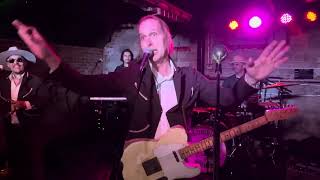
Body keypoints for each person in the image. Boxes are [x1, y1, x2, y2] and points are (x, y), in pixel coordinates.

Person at [12, 15, 289, 179]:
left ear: (167, 40)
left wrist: (251, 78)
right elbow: (84, 85)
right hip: (137, 163)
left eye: (153, 34)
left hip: (175, 164)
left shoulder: (189, 77)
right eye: (142, 37)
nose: (147, 41)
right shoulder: (131, 74)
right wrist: (46, 53)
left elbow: (226, 98)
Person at [0, 46, 50, 180]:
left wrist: (25, 104)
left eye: (19, 60)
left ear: (25, 62)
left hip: (30, 127)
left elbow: (45, 100)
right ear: (7, 64)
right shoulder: (1, 82)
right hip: (8, 126)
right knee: (13, 158)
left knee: (31, 161)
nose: (15, 63)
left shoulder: (36, 81)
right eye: (11, 61)